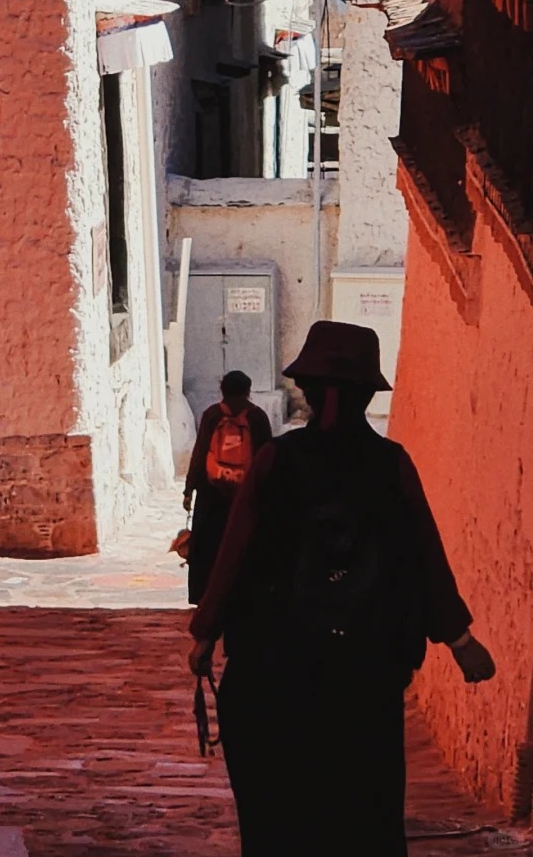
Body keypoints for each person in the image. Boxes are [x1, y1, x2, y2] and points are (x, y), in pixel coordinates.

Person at [188, 321, 495, 857]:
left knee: (277, 812)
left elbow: (234, 556)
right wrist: (460, 640)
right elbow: (426, 556)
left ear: (308, 392)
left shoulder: (276, 461)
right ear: (363, 397)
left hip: (272, 667)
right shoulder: (391, 465)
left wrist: (205, 633)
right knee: (363, 809)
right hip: (364, 672)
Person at [183, 371, 272, 605]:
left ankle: (205, 596)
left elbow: (200, 452)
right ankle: (243, 594)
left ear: (222, 389)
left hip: (211, 494)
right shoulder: (257, 418)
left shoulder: (212, 415)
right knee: (245, 544)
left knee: (208, 545)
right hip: (246, 494)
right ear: (248, 390)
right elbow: (267, 457)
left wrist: (189, 489)